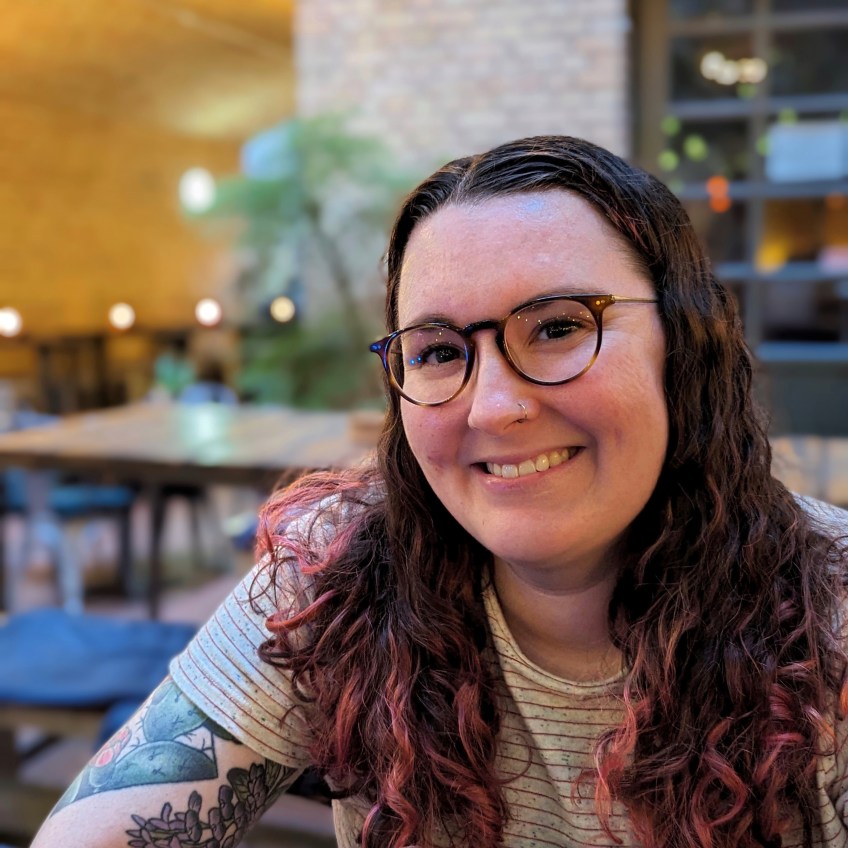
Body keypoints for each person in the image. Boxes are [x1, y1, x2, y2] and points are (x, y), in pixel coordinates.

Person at [31, 136, 848, 848]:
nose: (493, 405)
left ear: (687, 343)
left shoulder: (830, 621)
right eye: (437, 352)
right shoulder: (331, 582)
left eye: (560, 326)